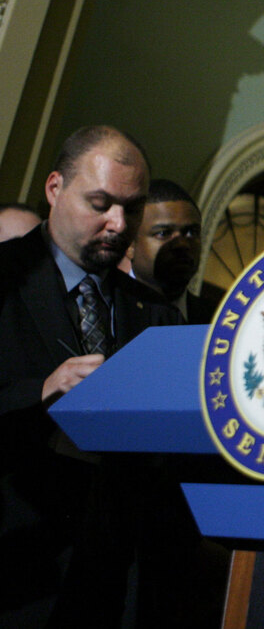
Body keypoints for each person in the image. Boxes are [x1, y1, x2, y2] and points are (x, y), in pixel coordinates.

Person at [0, 126, 183, 627]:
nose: (118, 224)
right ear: (55, 188)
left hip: (112, 588)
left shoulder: (159, 318)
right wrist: (40, 392)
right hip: (17, 573)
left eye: (132, 208)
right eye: (100, 203)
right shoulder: (5, 280)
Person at [128, 179, 215, 324]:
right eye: (163, 233)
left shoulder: (218, 320)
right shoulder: (108, 313)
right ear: (130, 244)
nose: (182, 244)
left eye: (191, 232)